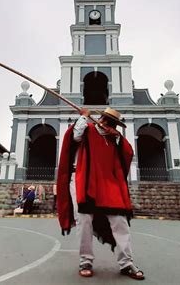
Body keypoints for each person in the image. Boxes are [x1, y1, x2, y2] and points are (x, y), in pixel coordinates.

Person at [57, 107, 144, 280]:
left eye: (113, 124)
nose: (108, 125)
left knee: (120, 221)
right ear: (101, 119)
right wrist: (84, 117)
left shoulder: (115, 138)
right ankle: (85, 261)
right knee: (84, 219)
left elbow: (127, 153)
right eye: (107, 121)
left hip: (108, 182)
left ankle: (126, 263)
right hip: (84, 178)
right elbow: (74, 135)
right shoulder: (87, 129)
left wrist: (117, 138)